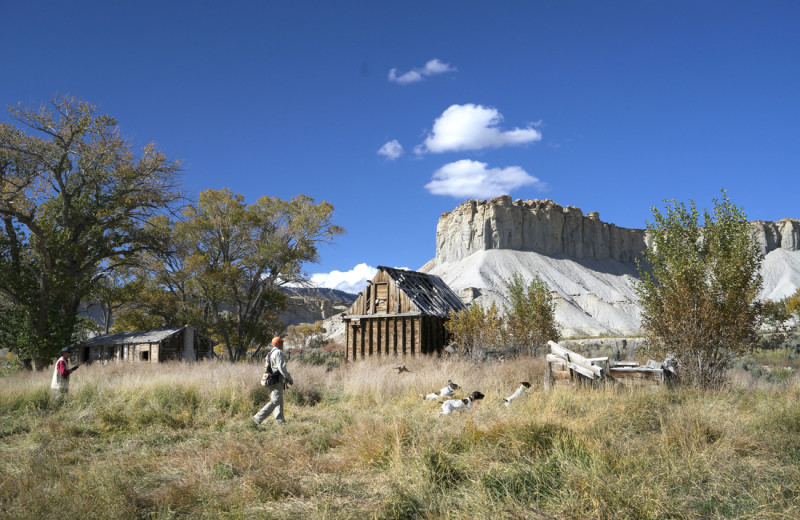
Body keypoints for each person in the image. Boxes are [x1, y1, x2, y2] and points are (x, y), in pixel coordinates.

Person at [252, 336, 294, 425]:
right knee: (275, 401)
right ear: (277, 344)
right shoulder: (278, 352)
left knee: (279, 401)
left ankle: (280, 421)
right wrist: (289, 378)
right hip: (276, 380)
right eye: (281, 343)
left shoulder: (270, 353)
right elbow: (282, 368)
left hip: (271, 380)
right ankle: (257, 418)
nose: (283, 344)